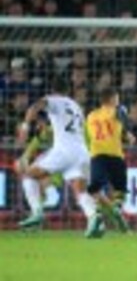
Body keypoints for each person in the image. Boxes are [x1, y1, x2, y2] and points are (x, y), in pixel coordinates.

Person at [16, 77, 103, 238]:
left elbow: (35, 107)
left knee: (29, 175)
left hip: (64, 151)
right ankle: (93, 217)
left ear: (52, 90)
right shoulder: (76, 106)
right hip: (81, 153)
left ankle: (36, 212)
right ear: (68, 90)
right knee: (80, 191)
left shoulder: (54, 100)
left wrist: (25, 125)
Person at [85, 87, 134, 233]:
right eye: (117, 99)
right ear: (112, 99)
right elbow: (122, 118)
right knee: (120, 190)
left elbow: (88, 137)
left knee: (95, 188)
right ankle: (116, 209)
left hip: (97, 155)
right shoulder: (118, 111)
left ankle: (99, 216)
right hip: (115, 155)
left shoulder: (91, 116)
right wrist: (128, 133)